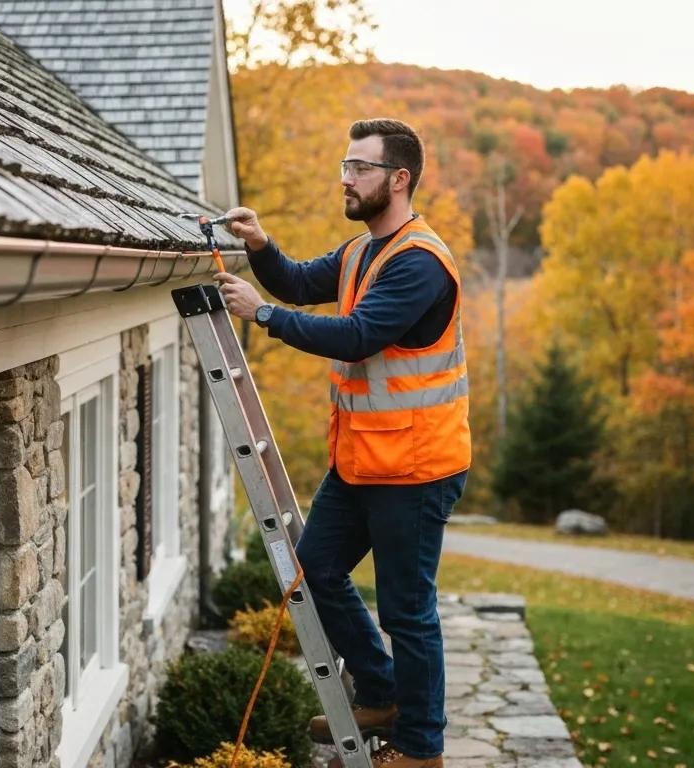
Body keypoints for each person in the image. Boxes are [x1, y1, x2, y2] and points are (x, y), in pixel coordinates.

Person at [213, 118, 470, 768]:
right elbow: (300, 282)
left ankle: (421, 749)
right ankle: (380, 692)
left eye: (359, 168)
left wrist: (262, 315)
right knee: (316, 568)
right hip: (363, 461)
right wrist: (260, 246)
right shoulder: (362, 253)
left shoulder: (420, 263)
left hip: (414, 468)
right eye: (345, 166)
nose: (346, 179)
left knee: (408, 613)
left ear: (399, 178)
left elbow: (356, 335)